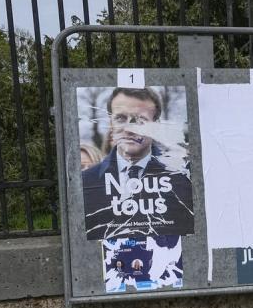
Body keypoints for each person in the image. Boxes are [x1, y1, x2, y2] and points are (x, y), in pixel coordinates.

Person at [81, 87, 193, 240]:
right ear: (111, 123)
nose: (129, 129)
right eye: (120, 118)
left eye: (140, 120)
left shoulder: (182, 178)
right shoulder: (87, 181)